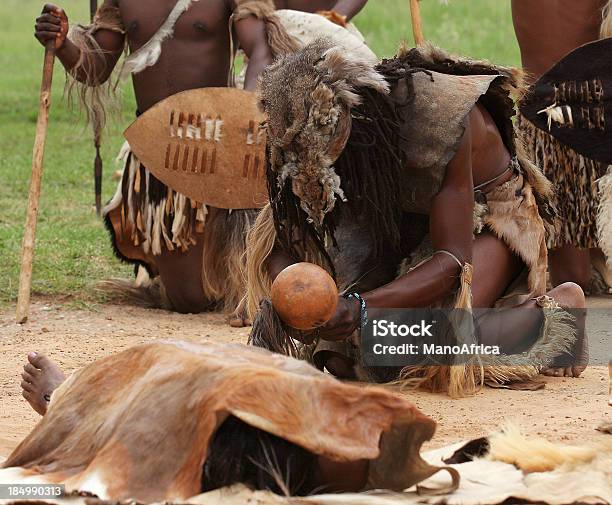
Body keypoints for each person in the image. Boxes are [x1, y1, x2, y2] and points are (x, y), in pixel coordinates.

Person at [245, 40, 589, 397]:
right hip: (400, 220)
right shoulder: (295, 133)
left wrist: (360, 307)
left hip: (489, 219)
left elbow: (452, 261)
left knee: (422, 347)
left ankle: (554, 316)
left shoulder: (445, 120)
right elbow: (281, 238)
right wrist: (290, 302)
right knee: (347, 352)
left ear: (359, 137)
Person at [34, 0, 276, 324]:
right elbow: (95, 68)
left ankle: (261, 281)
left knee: (227, 285)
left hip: (217, 145)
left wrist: (244, 112)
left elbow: (261, 46)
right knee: (188, 299)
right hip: (158, 155)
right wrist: (63, 44)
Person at [11, 342, 443, 500]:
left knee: (182, 379)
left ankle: (68, 403)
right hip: (262, 424)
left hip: (254, 439)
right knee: (192, 376)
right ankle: (72, 404)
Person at [512, 0, 612, 294]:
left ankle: (589, 253)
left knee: (572, 276)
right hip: (584, 125)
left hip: (538, 126)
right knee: (573, 279)